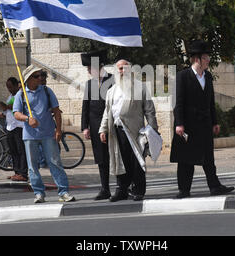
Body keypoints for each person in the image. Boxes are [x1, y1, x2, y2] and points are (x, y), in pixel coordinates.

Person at [170, 39, 235, 198]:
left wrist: (214, 121)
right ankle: (184, 190)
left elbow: (210, 101)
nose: (209, 60)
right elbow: (178, 102)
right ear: (197, 59)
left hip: (204, 124)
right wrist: (179, 123)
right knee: (186, 158)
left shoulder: (208, 76)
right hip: (187, 125)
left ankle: (214, 186)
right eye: (206, 57)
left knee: (208, 157)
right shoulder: (182, 76)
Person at [13, 65, 75, 204]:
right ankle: (39, 193)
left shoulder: (47, 91)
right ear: (28, 79)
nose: (40, 78)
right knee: (32, 166)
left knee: (55, 163)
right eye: (36, 76)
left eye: (41, 75)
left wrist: (58, 130)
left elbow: (57, 111)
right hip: (30, 135)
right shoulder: (21, 94)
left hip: (48, 133)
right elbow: (16, 113)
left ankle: (63, 192)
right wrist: (27, 119)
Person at [99, 59, 158, 202]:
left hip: (136, 132)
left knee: (136, 161)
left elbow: (149, 111)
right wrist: (103, 129)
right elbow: (107, 112)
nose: (122, 71)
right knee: (120, 160)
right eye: (119, 68)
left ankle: (138, 190)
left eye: (125, 68)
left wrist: (152, 130)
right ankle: (122, 190)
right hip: (116, 131)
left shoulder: (140, 88)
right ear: (116, 71)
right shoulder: (111, 90)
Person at [81, 50, 114, 200]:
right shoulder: (90, 84)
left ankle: (124, 186)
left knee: (116, 156)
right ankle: (105, 188)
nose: (88, 71)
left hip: (112, 125)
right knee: (101, 159)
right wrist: (85, 127)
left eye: (89, 68)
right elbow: (85, 106)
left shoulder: (113, 80)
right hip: (95, 126)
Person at [0, 77, 28, 182]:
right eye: (8, 87)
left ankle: (23, 173)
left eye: (11, 87)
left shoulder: (21, 95)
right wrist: (2, 113)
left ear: (16, 85)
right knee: (13, 151)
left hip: (19, 126)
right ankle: (17, 172)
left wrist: (6, 107)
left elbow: (16, 108)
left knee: (21, 151)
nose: (9, 89)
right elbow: (8, 110)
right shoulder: (10, 96)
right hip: (10, 127)